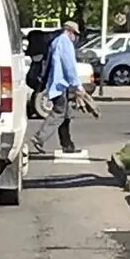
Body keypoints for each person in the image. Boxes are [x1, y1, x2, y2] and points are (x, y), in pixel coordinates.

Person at [40, 15, 83, 156]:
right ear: (69, 31)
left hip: (57, 83)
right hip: (60, 84)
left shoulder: (56, 41)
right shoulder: (65, 43)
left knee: (66, 115)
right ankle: (39, 138)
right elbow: (69, 66)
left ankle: (67, 144)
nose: (75, 38)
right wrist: (77, 85)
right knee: (59, 113)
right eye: (75, 34)